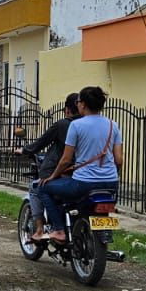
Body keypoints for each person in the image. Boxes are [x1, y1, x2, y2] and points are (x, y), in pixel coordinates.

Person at [39, 86, 125, 242]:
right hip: (111, 184)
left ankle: (59, 230)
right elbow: (119, 160)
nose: (77, 104)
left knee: (43, 188)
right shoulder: (114, 125)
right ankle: (100, 231)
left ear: (83, 104)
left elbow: (65, 160)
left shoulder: (76, 125)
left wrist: (52, 176)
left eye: (78, 101)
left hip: (83, 184)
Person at [16, 93, 79, 240]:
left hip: (67, 173)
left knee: (37, 188)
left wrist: (24, 150)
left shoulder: (64, 124)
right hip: (91, 175)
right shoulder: (102, 125)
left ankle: (41, 230)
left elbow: (42, 143)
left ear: (67, 109)